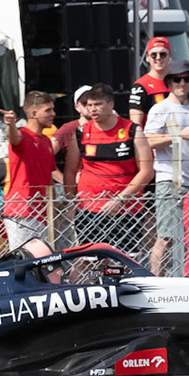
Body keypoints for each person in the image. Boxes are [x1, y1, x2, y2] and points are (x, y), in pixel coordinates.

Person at [66, 84, 152, 257]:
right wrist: (71, 201)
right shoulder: (81, 132)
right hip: (89, 209)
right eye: (89, 105)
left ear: (111, 104)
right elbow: (69, 170)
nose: (93, 109)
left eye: (98, 104)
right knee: (88, 260)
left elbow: (147, 171)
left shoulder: (132, 130)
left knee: (125, 261)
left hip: (126, 209)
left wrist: (121, 199)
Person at [143, 60, 189, 273]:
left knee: (186, 238)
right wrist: (179, 135)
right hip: (169, 179)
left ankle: (181, 281)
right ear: (169, 82)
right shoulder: (160, 109)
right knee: (166, 237)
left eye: (187, 79)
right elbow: (147, 140)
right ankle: (155, 283)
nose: (182, 83)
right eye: (177, 79)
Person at [0, 92, 60, 251]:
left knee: (43, 261)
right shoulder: (23, 136)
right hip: (22, 212)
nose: (53, 114)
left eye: (53, 109)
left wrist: (57, 204)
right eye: (48, 110)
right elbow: (14, 138)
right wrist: (10, 125)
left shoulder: (46, 140)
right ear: (33, 113)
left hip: (42, 212)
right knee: (24, 261)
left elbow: (50, 176)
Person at [128, 35, 173, 127]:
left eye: (163, 54)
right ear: (147, 57)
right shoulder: (140, 86)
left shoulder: (179, 81)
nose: (158, 58)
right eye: (154, 55)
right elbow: (136, 123)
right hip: (152, 138)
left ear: (170, 56)